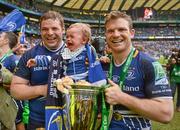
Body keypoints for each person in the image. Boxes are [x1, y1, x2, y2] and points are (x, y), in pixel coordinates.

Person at [103, 11, 174, 130]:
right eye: (110, 31)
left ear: (131, 33)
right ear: (106, 35)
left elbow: (166, 113)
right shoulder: (102, 64)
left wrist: (121, 97)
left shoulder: (149, 64)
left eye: (121, 29)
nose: (116, 34)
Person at [10, 10, 65, 129]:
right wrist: (43, 89)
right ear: (40, 31)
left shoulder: (75, 52)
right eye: (45, 29)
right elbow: (15, 90)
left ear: (63, 30)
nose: (50, 33)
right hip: (38, 122)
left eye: (54, 28)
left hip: (69, 119)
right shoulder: (30, 55)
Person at [0, 31, 25, 130]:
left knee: (17, 123)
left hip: (12, 103)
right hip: (2, 104)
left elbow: (21, 82)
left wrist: (5, 82)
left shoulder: (14, 59)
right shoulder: (3, 58)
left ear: (6, 40)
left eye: (0, 36)